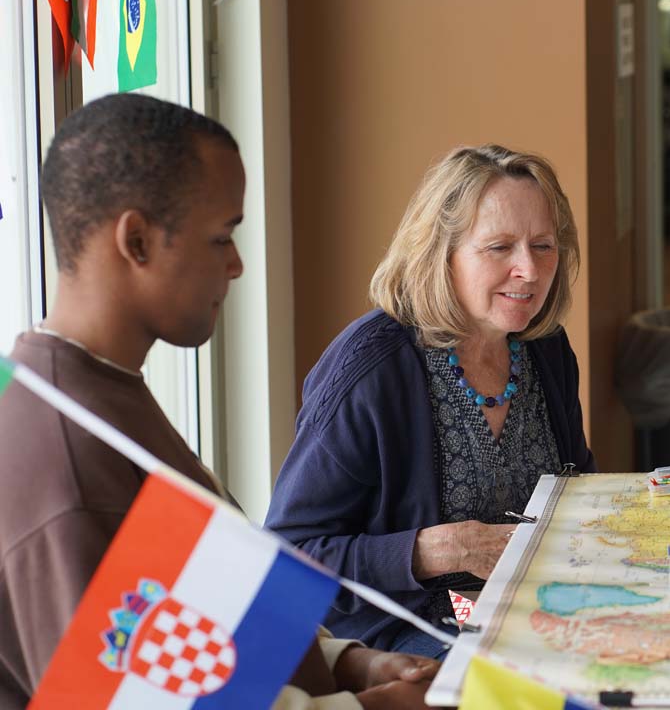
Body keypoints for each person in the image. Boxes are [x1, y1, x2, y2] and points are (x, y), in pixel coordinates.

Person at [0, 94, 439, 709]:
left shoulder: (96, 387)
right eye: (221, 237)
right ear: (138, 241)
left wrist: (348, 664)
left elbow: (179, 621)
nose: (234, 265)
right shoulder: (64, 457)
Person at [265, 144, 596, 656]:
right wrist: (431, 550)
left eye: (544, 246)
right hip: (406, 636)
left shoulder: (544, 347)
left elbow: (578, 489)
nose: (529, 270)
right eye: (499, 247)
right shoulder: (370, 368)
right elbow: (289, 554)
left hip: (534, 610)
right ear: (441, 255)